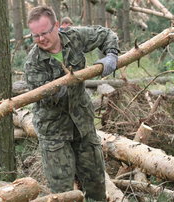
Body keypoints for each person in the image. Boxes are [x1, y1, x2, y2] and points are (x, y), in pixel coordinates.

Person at [24, 6, 119, 202]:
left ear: (57, 26)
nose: (41, 39)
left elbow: (106, 34)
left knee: (95, 182)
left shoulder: (74, 37)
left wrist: (111, 54)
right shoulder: (33, 62)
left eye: (44, 33)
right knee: (63, 192)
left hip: (83, 124)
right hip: (54, 132)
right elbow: (42, 96)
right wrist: (58, 89)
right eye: (35, 36)